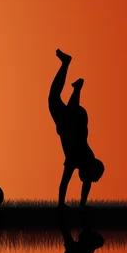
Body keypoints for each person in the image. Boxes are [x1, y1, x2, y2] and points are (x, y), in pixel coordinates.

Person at [49, 49, 104, 208]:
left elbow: (87, 183)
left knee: (60, 102)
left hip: (77, 122)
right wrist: (61, 204)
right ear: (88, 170)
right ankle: (73, 81)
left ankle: (76, 88)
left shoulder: (88, 160)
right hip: (72, 124)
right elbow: (65, 182)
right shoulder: (77, 159)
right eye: (90, 177)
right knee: (56, 99)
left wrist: (82, 204)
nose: (86, 180)